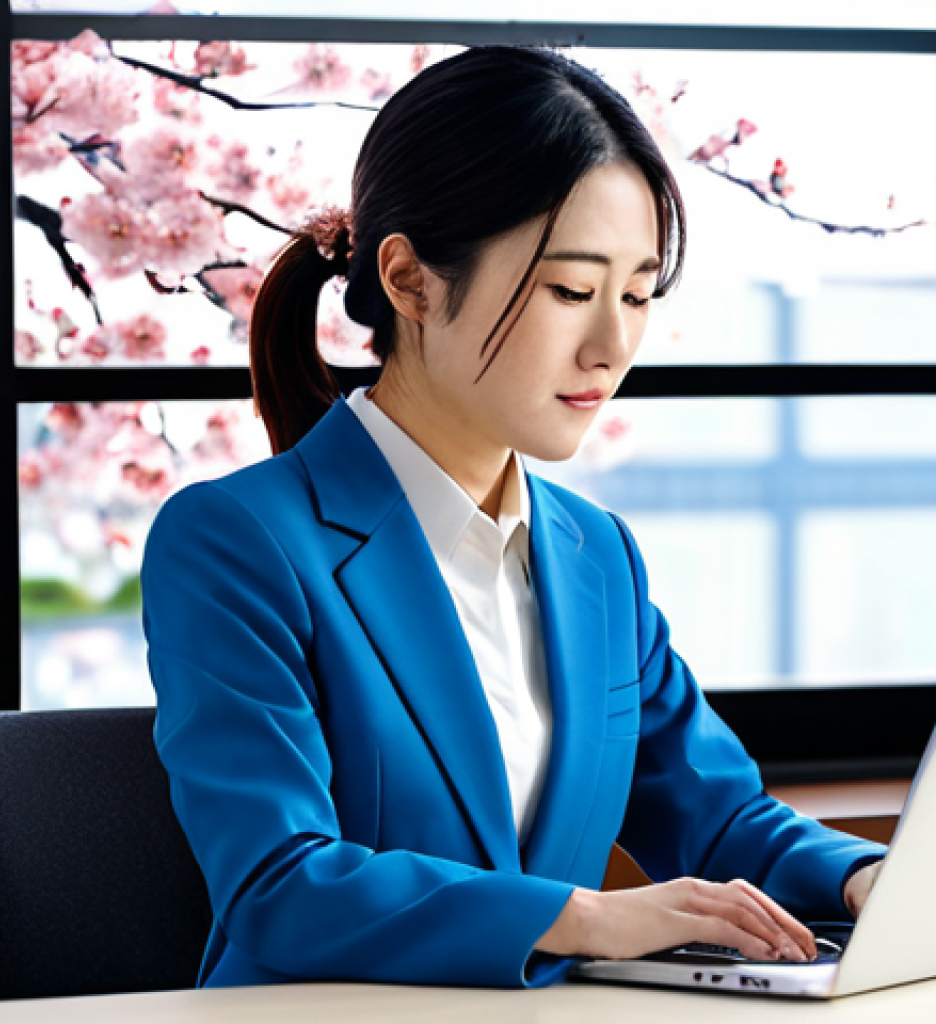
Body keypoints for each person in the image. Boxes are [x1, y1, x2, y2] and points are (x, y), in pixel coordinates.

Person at [139, 44, 886, 990]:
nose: (612, 344)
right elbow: (281, 883)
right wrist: (585, 917)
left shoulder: (595, 556)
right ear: (409, 281)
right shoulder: (239, 541)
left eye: (638, 295)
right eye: (571, 292)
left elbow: (718, 819)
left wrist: (872, 881)